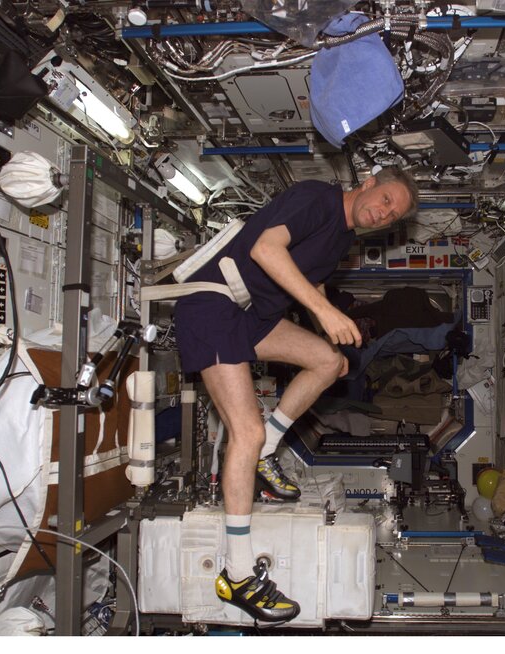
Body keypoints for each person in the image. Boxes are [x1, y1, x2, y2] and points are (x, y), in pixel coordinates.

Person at [174, 167, 419, 622]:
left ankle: (267, 450)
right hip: (213, 302)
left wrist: (324, 334)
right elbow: (266, 249)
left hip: (250, 316)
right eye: (386, 200)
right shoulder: (317, 198)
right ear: (368, 183)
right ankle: (237, 575)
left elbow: (311, 279)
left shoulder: (341, 239)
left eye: (393, 216)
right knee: (244, 433)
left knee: (329, 362)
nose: (384, 214)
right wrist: (325, 313)